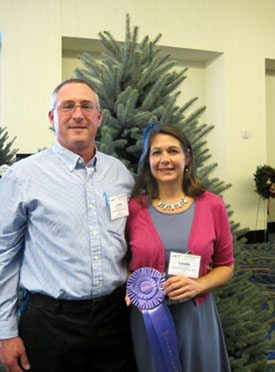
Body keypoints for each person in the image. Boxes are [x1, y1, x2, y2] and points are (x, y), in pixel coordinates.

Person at [0, 78, 136, 372]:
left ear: (99, 117)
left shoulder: (120, 174)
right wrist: (6, 332)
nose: (78, 114)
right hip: (50, 324)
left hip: (114, 320)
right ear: (52, 117)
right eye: (67, 106)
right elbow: (3, 255)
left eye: (87, 106)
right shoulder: (22, 177)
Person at [125, 123, 234, 372]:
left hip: (196, 318)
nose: (165, 160)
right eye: (156, 153)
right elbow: (120, 261)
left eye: (173, 151)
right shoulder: (134, 209)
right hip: (148, 321)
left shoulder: (212, 205)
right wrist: (131, 283)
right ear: (147, 160)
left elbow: (226, 266)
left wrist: (199, 284)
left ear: (187, 157)